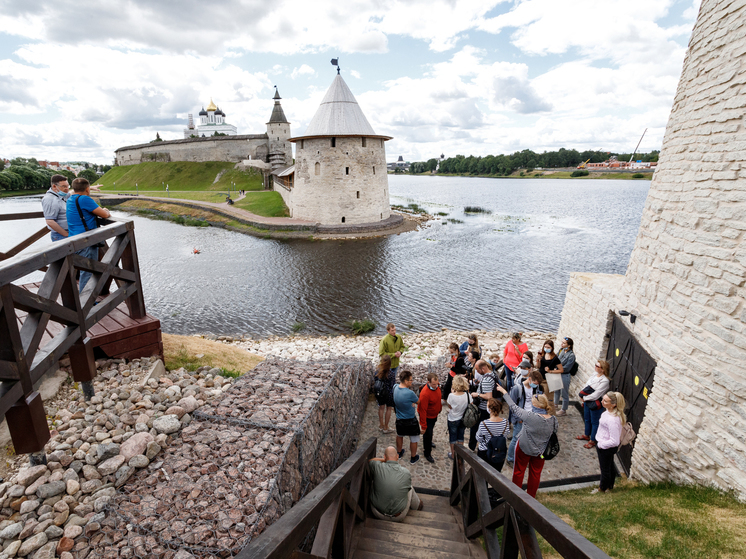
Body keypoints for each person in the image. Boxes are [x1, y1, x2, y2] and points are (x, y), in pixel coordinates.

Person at [495, 383, 558, 498]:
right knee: (536, 473)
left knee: (519, 471)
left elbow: (514, 407)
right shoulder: (553, 419)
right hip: (541, 452)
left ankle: (515, 495)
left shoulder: (530, 416)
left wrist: (504, 393)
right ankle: (531, 496)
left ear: (535, 405)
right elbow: (554, 432)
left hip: (524, 448)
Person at [66, 178, 111, 293]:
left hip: (74, 239)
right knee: (88, 272)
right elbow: (104, 214)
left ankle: (85, 301)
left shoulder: (71, 198)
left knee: (84, 272)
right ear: (87, 189)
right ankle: (86, 304)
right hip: (86, 241)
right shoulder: (85, 199)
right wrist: (105, 210)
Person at [368, 446, 423, 521]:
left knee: (374, 481)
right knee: (409, 487)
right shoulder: (406, 472)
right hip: (398, 516)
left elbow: (370, 461)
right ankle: (417, 506)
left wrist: (384, 460)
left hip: (377, 513)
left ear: (384, 457)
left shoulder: (377, 466)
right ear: (397, 456)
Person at [506, 367, 544, 466]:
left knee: (528, 440)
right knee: (516, 439)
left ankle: (522, 458)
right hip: (521, 419)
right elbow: (512, 405)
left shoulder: (537, 388)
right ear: (530, 379)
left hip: (532, 418)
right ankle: (510, 458)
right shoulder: (517, 388)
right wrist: (518, 419)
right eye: (535, 383)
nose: (536, 386)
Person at [592, 391, 626, 494]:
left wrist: (601, 445)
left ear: (614, 404)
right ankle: (609, 486)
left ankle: (602, 489)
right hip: (604, 444)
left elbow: (614, 441)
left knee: (605, 469)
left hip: (606, 447)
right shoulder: (607, 412)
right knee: (609, 466)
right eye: (603, 399)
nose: (602, 402)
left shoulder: (613, 420)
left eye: (605, 401)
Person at [576, 359, 611, 449]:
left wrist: (584, 398)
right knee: (587, 418)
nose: (595, 367)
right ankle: (586, 434)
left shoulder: (605, 381)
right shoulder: (594, 375)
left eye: (597, 366)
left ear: (603, 369)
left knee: (594, 422)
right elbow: (587, 385)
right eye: (595, 365)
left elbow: (596, 394)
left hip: (595, 402)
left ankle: (592, 440)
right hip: (587, 400)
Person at [393, 370, 421, 464]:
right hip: (410, 420)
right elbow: (418, 401)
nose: (411, 382)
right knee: (414, 438)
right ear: (405, 381)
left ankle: (399, 452)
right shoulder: (410, 393)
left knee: (399, 435)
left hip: (399, 419)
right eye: (410, 380)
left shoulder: (395, 387)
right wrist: (412, 402)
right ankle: (413, 457)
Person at [468, 359, 496, 451]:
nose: (477, 372)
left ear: (483, 368)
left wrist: (478, 394)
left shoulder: (487, 380)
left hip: (483, 408)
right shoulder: (492, 374)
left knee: (475, 428)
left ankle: (472, 447)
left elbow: (489, 396)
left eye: (478, 370)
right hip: (487, 408)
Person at [476, 398, 508, 470]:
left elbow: (478, 438)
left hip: (484, 451)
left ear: (490, 409)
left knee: (481, 472)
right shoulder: (505, 422)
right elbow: (505, 435)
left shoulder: (484, 424)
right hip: (499, 451)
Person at [417, 372, 442, 463]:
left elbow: (438, 399)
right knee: (427, 434)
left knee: (430, 432)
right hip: (427, 417)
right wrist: (423, 425)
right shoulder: (425, 394)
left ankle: (429, 442)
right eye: (434, 384)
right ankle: (427, 453)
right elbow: (422, 410)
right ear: (428, 382)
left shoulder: (437, 387)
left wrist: (439, 409)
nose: (436, 386)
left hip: (434, 415)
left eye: (437, 384)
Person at [446, 375, 469, 460]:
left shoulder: (451, 396)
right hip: (463, 419)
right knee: (460, 436)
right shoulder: (467, 395)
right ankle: (460, 455)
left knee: (453, 437)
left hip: (453, 418)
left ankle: (453, 454)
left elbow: (450, 406)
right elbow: (470, 404)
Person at [42, 174, 71, 241]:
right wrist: (66, 235)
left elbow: (72, 192)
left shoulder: (60, 195)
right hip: (61, 235)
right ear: (54, 186)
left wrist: (88, 188)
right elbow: (50, 221)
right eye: (64, 186)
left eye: (67, 186)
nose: (67, 189)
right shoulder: (50, 199)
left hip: (67, 232)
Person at [554, 337, 576, 416]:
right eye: (562, 342)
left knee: (564, 393)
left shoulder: (571, 355)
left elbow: (567, 368)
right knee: (556, 390)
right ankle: (555, 404)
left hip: (564, 375)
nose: (561, 344)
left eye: (564, 343)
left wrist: (556, 369)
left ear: (569, 345)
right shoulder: (561, 350)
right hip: (557, 373)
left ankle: (564, 410)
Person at [375, 355, 396, 433]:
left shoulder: (377, 371)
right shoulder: (391, 373)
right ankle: (386, 427)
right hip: (389, 393)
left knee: (381, 408)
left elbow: (375, 380)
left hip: (380, 392)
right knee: (388, 409)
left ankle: (381, 425)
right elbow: (392, 385)